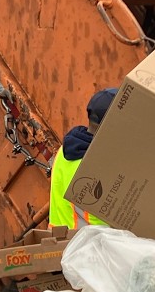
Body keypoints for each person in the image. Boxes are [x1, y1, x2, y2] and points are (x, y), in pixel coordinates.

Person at [49, 87, 117, 229]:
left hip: (62, 242)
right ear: (109, 125)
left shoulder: (66, 149)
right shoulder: (94, 168)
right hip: (89, 246)